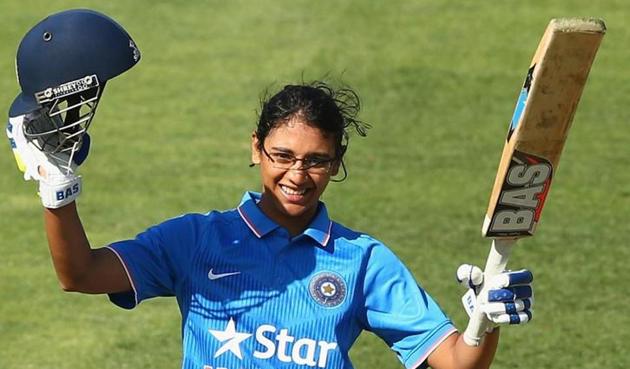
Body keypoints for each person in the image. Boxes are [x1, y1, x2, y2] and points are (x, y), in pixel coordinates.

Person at [7, 9, 534, 369]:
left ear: (337, 162)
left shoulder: (364, 262)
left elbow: (456, 363)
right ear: (256, 148)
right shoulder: (195, 239)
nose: (296, 176)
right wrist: (58, 192)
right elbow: (79, 275)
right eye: (282, 156)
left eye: (316, 161)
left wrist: (483, 322)